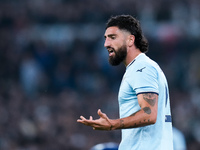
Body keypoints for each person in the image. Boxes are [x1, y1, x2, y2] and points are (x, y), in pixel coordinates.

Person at [77, 15, 173, 150]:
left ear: (130, 40)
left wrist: (112, 124)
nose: (106, 44)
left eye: (113, 37)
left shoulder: (141, 68)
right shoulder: (142, 67)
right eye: (106, 38)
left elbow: (149, 114)